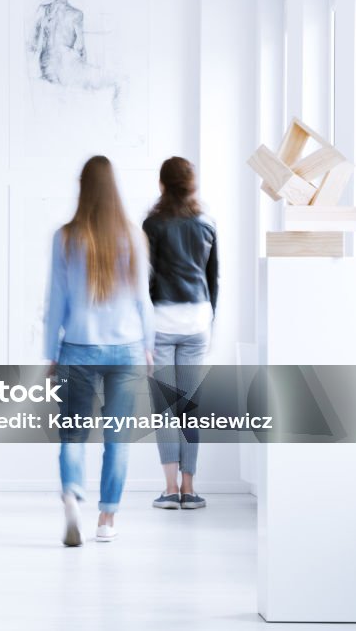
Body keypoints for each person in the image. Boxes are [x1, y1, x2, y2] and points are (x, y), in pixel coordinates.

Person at [45, 155, 154, 546]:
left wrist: (51, 353)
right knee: (118, 437)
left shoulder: (66, 237)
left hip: (77, 347)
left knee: (72, 435)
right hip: (126, 349)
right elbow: (144, 299)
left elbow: (55, 302)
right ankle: (107, 518)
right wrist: (149, 347)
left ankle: (72, 494)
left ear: (83, 187)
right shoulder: (133, 236)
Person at [143, 157, 218, 510]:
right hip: (197, 321)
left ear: (162, 185)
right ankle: (190, 489)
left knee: (165, 408)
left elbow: (145, 282)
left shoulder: (152, 225)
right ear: (192, 185)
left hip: (161, 321)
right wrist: (209, 320)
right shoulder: (207, 223)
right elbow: (212, 279)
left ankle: (170, 488)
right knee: (189, 408)